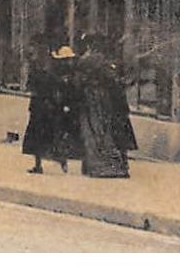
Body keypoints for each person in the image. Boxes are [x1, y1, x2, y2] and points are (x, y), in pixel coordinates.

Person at [74, 37, 135, 178]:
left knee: (91, 132)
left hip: (88, 99)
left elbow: (77, 81)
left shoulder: (84, 60)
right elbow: (113, 80)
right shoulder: (102, 61)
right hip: (101, 98)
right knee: (103, 130)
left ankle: (95, 166)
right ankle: (109, 166)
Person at [23, 45, 79, 174]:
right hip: (51, 106)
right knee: (49, 135)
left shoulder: (49, 71)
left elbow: (32, 87)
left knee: (46, 135)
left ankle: (53, 159)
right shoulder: (55, 71)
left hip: (45, 106)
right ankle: (55, 159)